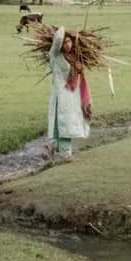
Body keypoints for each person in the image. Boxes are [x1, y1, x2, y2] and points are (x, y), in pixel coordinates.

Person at [47, 26, 91, 161]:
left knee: (67, 123)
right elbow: (58, 38)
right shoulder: (55, 55)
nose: (67, 44)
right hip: (60, 95)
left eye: (70, 42)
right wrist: (64, 29)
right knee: (63, 124)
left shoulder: (74, 57)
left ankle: (55, 148)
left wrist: (78, 69)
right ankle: (65, 154)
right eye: (65, 42)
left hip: (72, 96)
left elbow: (77, 77)